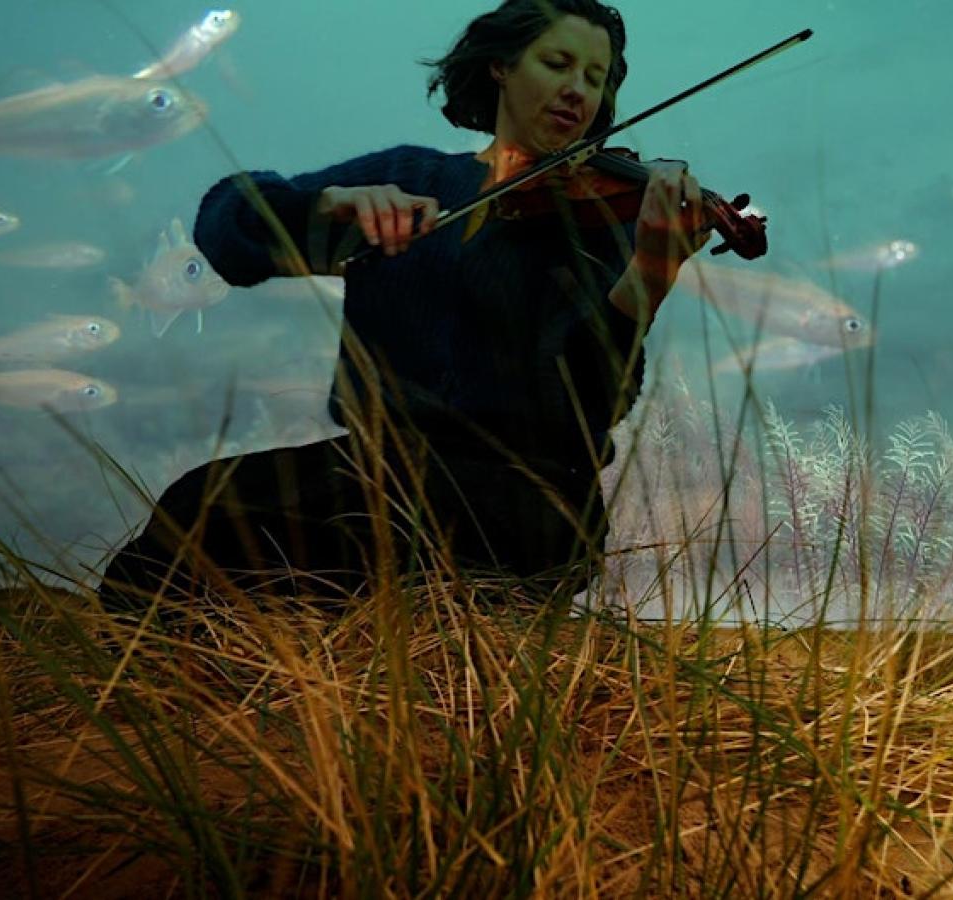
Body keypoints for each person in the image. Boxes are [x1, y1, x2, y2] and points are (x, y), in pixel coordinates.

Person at [98, 0, 708, 609]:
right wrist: (325, 207)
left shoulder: (605, 219)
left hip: (524, 501)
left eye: (596, 79)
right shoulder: (410, 176)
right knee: (197, 507)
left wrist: (648, 279)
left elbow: (592, 402)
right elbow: (227, 230)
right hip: (376, 468)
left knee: (344, 529)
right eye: (557, 63)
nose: (578, 90)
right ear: (501, 66)